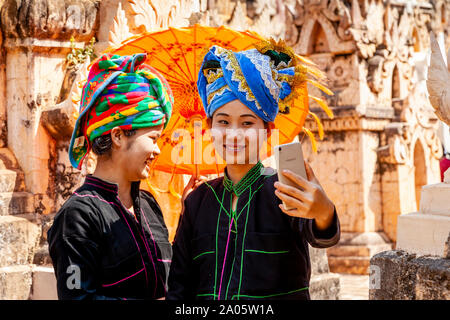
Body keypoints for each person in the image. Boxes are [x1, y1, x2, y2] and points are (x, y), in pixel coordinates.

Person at [167, 40, 340, 300]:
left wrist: (324, 211)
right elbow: (179, 286)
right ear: (209, 126)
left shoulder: (285, 190)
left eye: (247, 123)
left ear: (266, 131)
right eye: (223, 122)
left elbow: (321, 236)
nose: (234, 133)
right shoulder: (195, 203)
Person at [48, 53, 174, 300]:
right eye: (152, 138)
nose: (158, 150)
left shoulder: (149, 206)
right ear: (117, 136)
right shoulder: (78, 216)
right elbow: (76, 297)